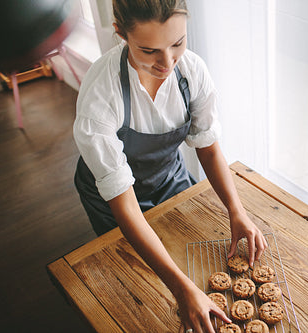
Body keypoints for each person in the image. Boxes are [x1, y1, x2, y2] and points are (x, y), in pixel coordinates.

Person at [72, 0, 268, 332]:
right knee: (139, 283)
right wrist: (180, 289)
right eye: (149, 51)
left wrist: (238, 212)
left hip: (170, 176)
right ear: (121, 33)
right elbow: (125, 204)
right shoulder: (101, 97)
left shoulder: (192, 72)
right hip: (113, 200)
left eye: (177, 43)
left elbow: (206, 148)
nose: (167, 63)